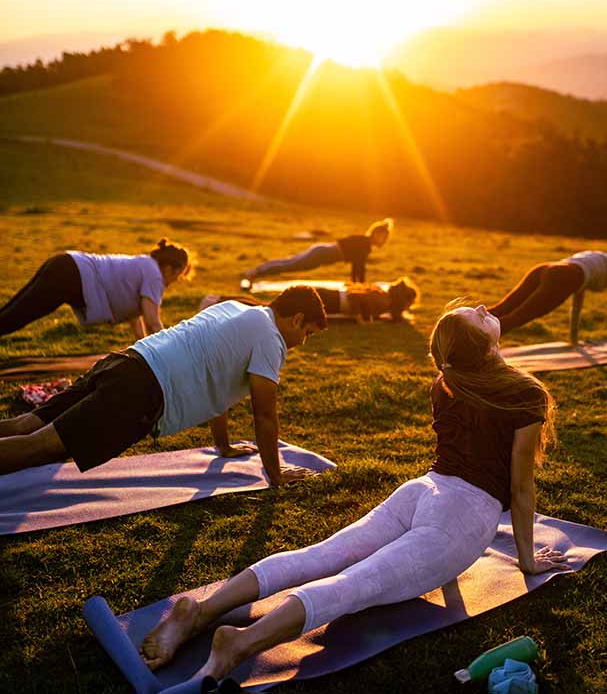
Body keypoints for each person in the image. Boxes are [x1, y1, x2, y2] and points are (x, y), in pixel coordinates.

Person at [139, 300, 567, 683]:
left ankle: (201, 610)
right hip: (463, 514)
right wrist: (526, 561)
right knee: (356, 583)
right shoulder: (523, 394)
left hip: (423, 490)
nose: (481, 306)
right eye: (477, 315)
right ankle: (240, 642)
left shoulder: (447, 382)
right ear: (483, 346)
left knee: (321, 555)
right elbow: (520, 486)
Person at [0, 286, 327, 485]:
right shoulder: (270, 339)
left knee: (27, 424)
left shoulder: (239, 310)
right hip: (138, 391)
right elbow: (265, 416)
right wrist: (277, 474)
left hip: (124, 361)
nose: (304, 341)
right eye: (308, 333)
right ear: (296, 319)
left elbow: (219, 391)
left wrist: (223, 446)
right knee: (39, 446)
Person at [0, 238, 193, 341]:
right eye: (178, 274)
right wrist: (169, 350)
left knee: (13, 311)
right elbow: (153, 323)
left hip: (66, 264)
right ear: (169, 268)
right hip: (71, 274)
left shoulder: (145, 265)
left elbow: (136, 316)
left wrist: (142, 346)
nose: (176, 280)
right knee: (15, 317)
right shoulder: (154, 275)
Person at [489, 234, 607, 355]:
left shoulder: (600, 258)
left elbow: (577, 301)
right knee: (517, 317)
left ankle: (466, 321)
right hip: (563, 276)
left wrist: (573, 340)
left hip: (545, 268)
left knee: (502, 308)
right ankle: (475, 348)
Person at [242, 218, 394, 286]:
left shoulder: (364, 242)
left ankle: (256, 271)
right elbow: (358, 267)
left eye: (384, 238)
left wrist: (358, 284)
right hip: (321, 254)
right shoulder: (364, 244)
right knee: (290, 265)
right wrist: (360, 286)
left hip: (320, 252)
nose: (381, 240)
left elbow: (357, 268)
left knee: (289, 263)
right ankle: (255, 272)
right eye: (380, 236)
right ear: (375, 233)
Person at [208, 277, 419, 323]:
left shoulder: (383, 295)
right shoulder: (384, 301)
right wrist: (362, 318)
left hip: (330, 296)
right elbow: (356, 299)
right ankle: (218, 301)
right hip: (328, 299)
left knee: (269, 308)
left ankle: (220, 300)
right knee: (269, 309)